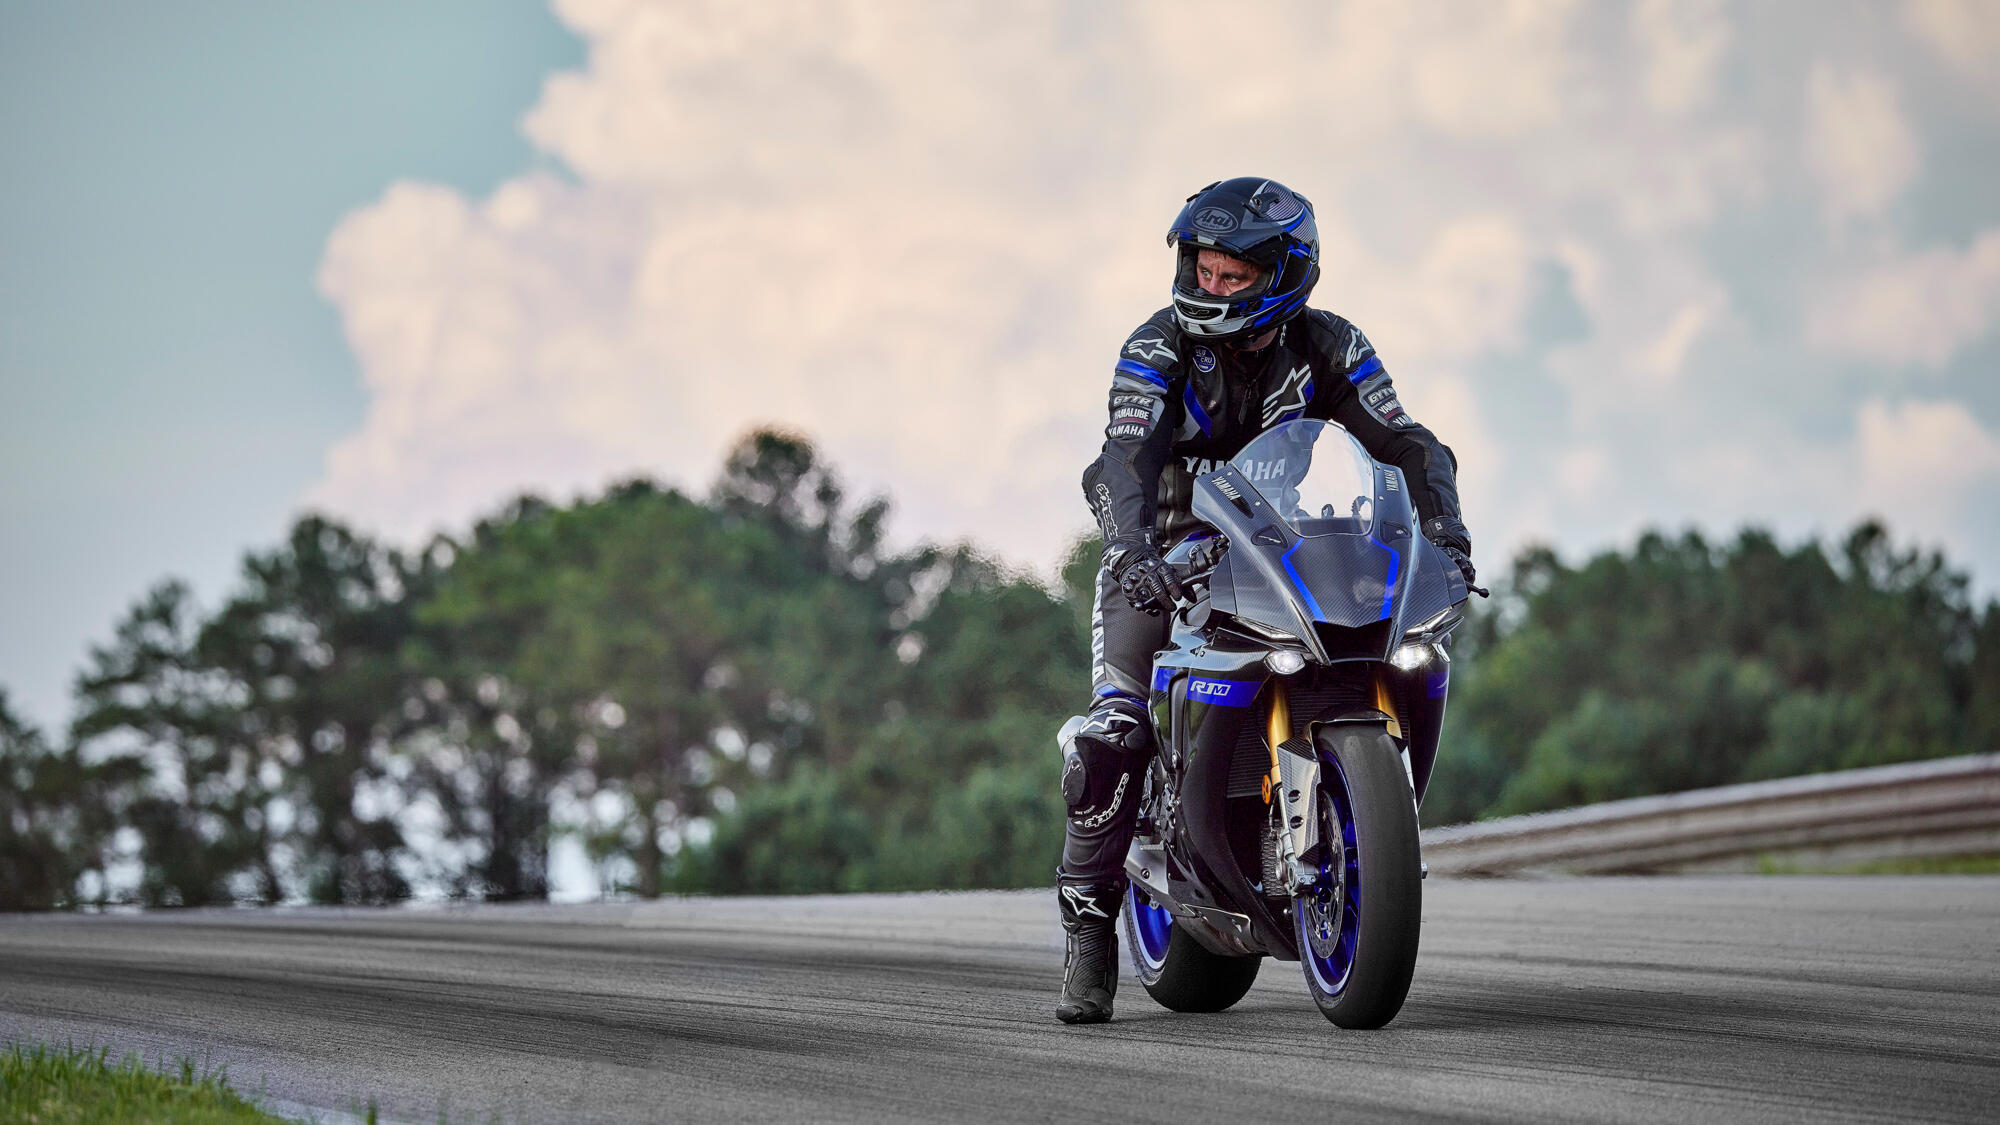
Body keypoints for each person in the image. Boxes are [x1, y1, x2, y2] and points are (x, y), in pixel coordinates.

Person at [1055, 177, 1476, 1024]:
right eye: (1202, 269)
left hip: (1284, 552)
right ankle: (1090, 931)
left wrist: (1447, 532)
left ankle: (1345, 837)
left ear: (1286, 275)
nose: (1210, 286)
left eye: (1232, 275)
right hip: (1165, 562)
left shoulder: (1332, 343)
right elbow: (1124, 460)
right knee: (1115, 732)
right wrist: (1131, 550)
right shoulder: (1157, 347)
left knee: (1399, 649)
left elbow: (1407, 442)